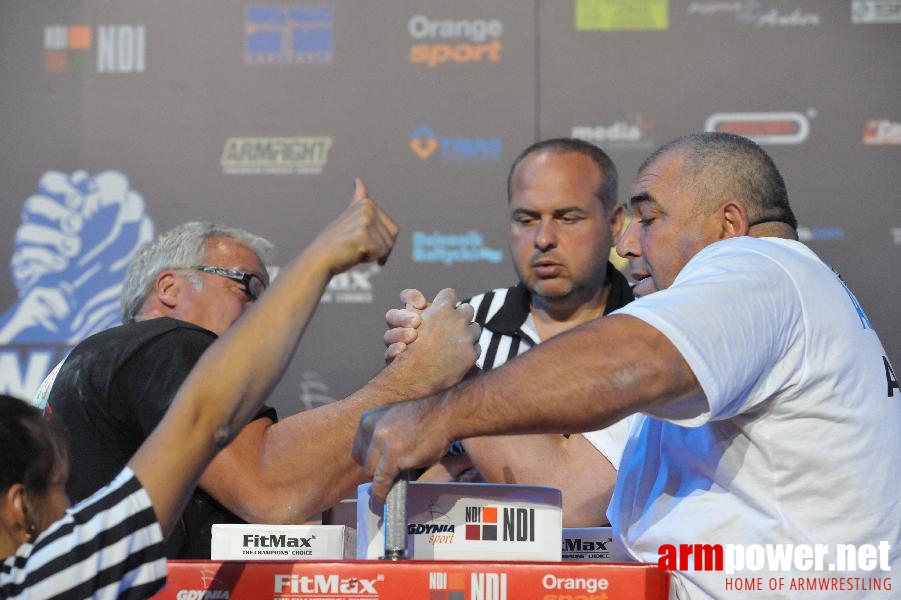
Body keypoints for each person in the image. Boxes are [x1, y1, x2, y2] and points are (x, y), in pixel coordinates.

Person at [354, 133, 901, 598]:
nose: (626, 244)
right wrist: (450, 372)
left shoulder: (757, 267)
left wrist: (440, 415)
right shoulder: (728, 333)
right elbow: (565, 489)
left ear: (728, 224)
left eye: (648, 218)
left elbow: (632, 359)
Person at [42, 179, 480, 559]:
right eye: (248, 286)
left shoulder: (92, 364)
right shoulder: (166, 342)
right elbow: (271, 488)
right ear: (171, 288)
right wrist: (417, 375)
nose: (260, 312)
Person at [385, 138, 635, 526]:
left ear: (616, 222)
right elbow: (404, 480)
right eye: (526, 219)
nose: (544, 239)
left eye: (568, 218)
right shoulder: (463, 329)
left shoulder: (649, 330)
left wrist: (469, 457)